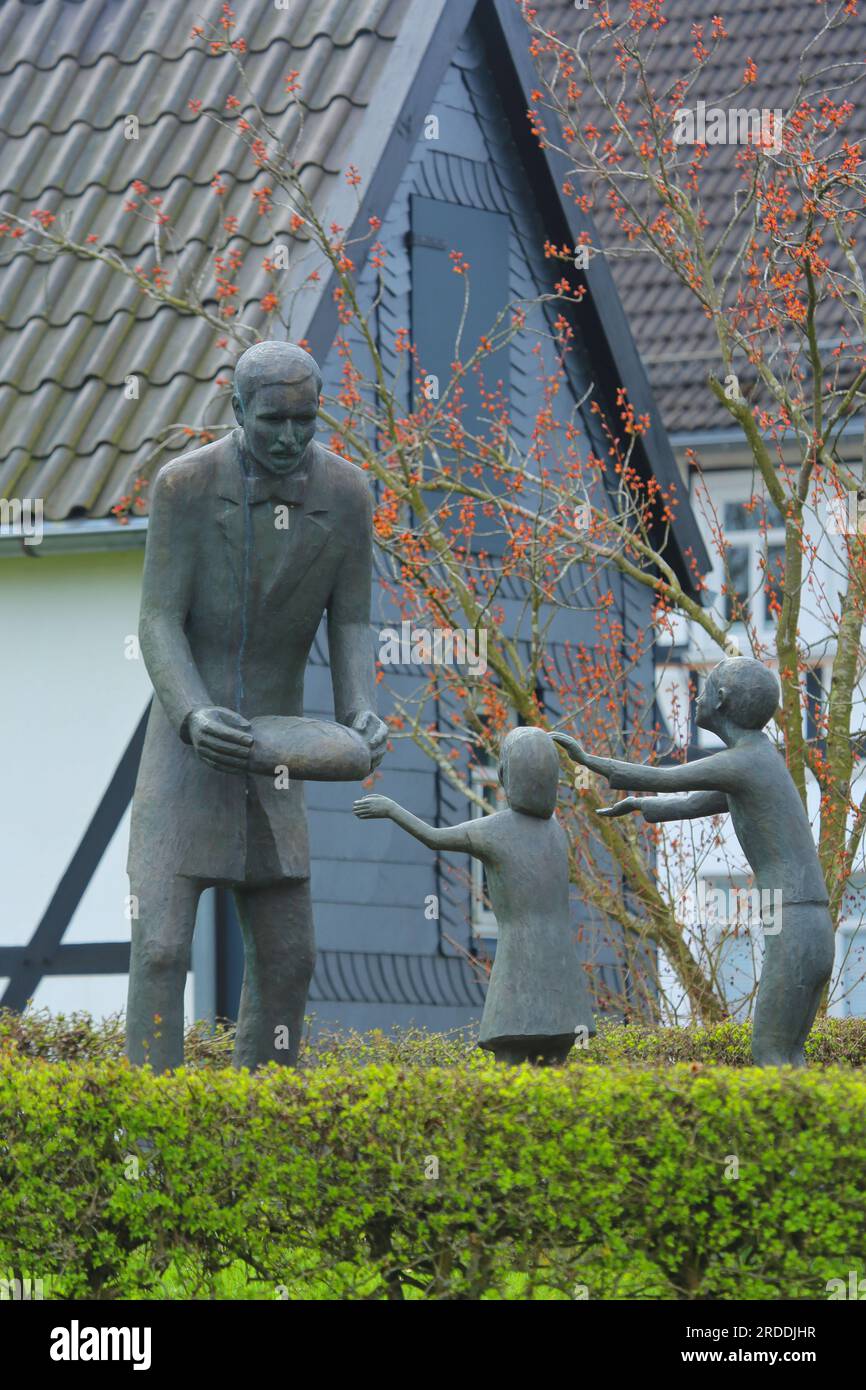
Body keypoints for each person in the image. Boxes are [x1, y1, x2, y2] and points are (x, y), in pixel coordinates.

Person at [127, 341, 387, 1070]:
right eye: (273, 418)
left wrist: (358, 709)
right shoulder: (183, 487)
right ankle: (144, 1133)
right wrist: (192, 713)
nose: (289, 436)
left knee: (289, 958)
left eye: (305, 420)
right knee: (161, 946)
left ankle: (258, 1126)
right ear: (237, 408)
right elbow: (156, 621)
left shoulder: (348, 495)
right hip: (188, 749)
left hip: (278, 757)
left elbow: (353, 622)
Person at [553, 657, 835, 1066]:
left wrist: (587, 759)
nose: (696, 696)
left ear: (720, 701)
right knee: (789, 1055)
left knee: (770, 1052)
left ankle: (784, 1129)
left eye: (703, 689)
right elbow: (689, 802)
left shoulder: (745, 762)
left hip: (793, 920)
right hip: (806, 923)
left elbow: (665, 777)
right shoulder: (755, 763)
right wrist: (641, 806)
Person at [354, 727, 595, 1064]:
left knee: (510, 1062)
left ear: (507, 775)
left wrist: (392, 809)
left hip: (519, 965)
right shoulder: (557, 832)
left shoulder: (497, 829)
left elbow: (434, 837)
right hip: (562, 969)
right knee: (556, 1065)